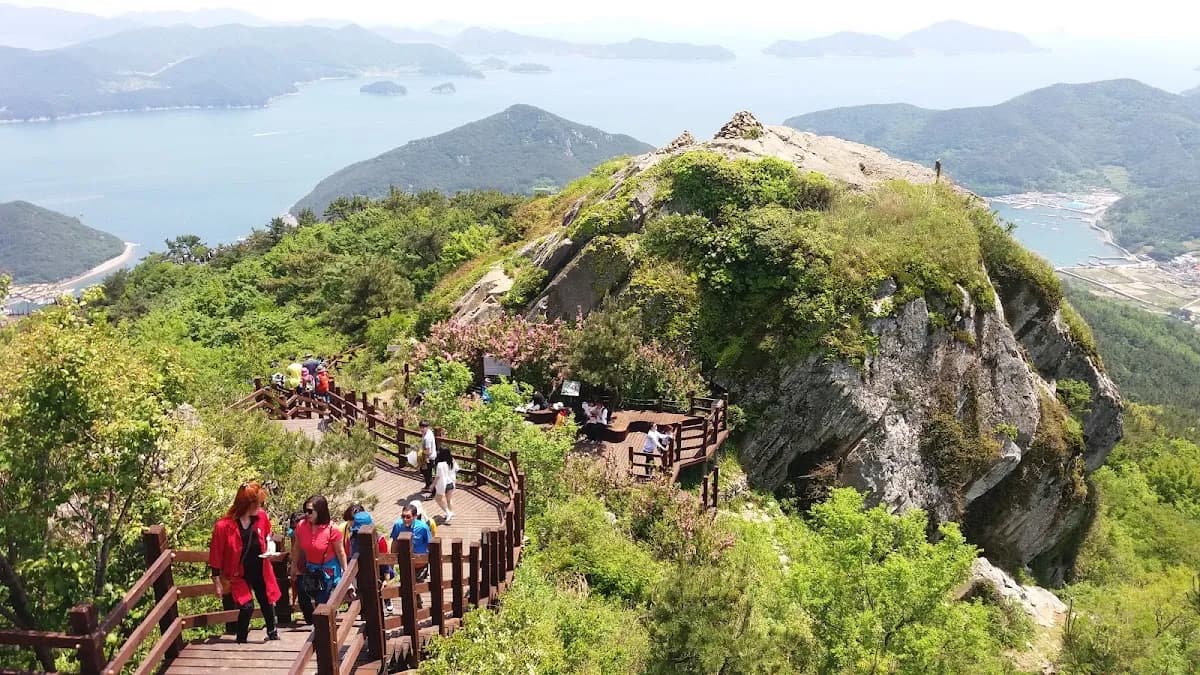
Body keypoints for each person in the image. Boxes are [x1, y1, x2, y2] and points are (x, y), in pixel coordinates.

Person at [208, 482, 282, 643]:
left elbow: (268, 535)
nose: (260, 506)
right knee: (247, 606)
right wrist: (217, 582)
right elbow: (216, 555)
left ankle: (272, 632)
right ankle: (241, 638)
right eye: (258, 503)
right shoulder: (223, 526)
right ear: (247, 504)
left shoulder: (261, 517)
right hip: (237, 573)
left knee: (266, 599)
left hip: (260, 567)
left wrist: (270, 546)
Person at [290, 495, 348, 625]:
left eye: (310, 511)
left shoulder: (332, 529)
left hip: (329, 569)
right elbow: (297, 547)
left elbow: (340, 552)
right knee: (312, 597)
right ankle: (320, 625)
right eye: (305, 510)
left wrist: (346, 571)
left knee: (324, 601)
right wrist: (294, 565)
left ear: (320, 511)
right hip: (312, 568)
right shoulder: (301, 526)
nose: (306, 514)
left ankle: (326, 627)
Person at [347, 510, 395, 614]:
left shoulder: (379, 539)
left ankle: (386, 602)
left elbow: (384, 561)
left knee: (378, 598)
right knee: (365, 603)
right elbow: (350, 557)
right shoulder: (353, 538)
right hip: (360, 574)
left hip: (378, 572)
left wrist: (386, 579)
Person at [390, 504, 432, 582]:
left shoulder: (423, 527)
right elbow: (395, 543)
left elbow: (430, 544)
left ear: (415, 516)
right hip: (404, 564)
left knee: (418, 585)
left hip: (420, 565)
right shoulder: (398, 525)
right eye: (403, 516)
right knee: (405, 585)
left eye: (408, 517)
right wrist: (391, 564)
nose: (405, 519)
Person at [433, 446, 459, 524]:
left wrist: (432, 485)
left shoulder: (440, 464)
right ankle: (450, 513)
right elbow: (457, 469)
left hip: (444, 484)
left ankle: (448, 513)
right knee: (449, 499)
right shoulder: (452, 460)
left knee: (438, 499)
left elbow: (438, 476)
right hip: (451, 482)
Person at [417, 421, 438, 496]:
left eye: (424, 427)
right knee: (425, 472)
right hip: (428, 457)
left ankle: (433, 492)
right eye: (421, 427)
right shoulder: (428, 432)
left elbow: (428, 451)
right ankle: (428, 486)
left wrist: (419, 451)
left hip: (429, 458)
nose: (422, 429)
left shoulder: (427, 438)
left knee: (428, 475)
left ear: (427, 427)